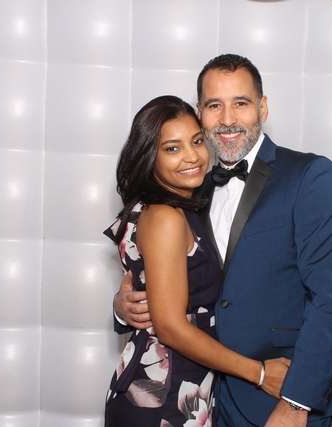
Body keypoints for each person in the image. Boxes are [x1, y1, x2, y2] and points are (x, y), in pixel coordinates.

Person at [114, 55, 332, 427]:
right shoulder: (191, 189)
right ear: (200, 112)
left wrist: (297, 403)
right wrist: (123, 307)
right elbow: (177, 283)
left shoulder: (309, 177)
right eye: (215, 105)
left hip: (279, 392)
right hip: (203, 396)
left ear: (262, 108)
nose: (227, 119)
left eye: (240, 103)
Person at [103, 95, 290, 427]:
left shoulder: (172, 205)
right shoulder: (165, 217)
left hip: (180, 388)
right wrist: (260, 373)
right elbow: (170, 328)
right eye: (172, 148)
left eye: (197, 141)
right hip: (163, 395)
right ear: (149, 156)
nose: (192, 156)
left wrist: (122, 306)